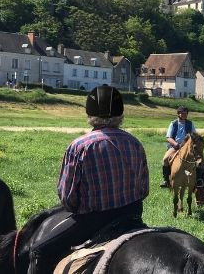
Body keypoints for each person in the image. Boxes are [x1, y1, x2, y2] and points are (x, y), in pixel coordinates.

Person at [27, 85, 149, 274]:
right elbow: (143, 190)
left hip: (93, 220)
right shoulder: (135, 143)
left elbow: (67, 198)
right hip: (132, 216)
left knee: (39, 250)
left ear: (90, 113)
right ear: (120, 114)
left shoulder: (80, 146)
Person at [160, 106, 197, 188]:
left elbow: (194, 135)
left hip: (187, 147)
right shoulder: (173, 123)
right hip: (175, 146)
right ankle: (165, 180)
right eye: (182, 113)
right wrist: (176, 144)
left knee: (198, 159)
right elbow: (168, 137)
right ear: (178, 114)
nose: (184, 115)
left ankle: (197, 180)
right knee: (165, 159)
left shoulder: (190, 124)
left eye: (185, 113)